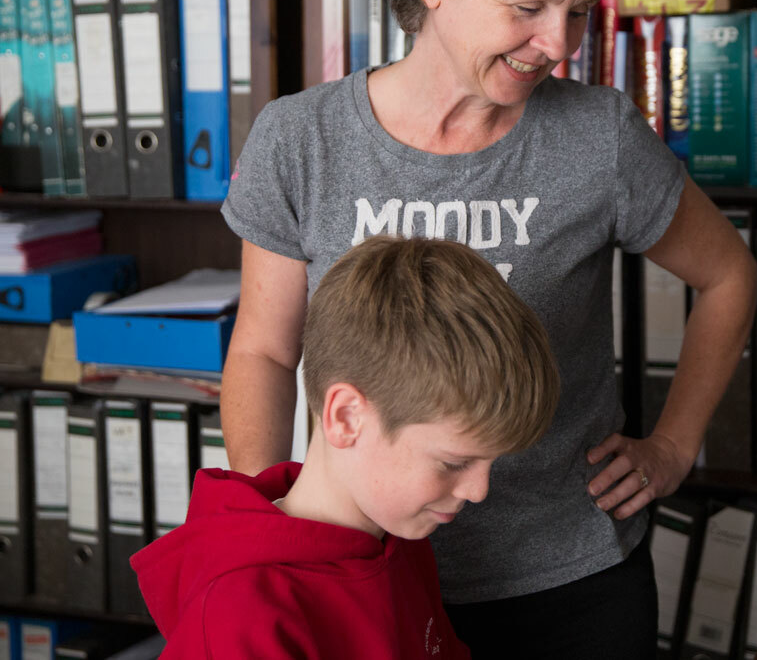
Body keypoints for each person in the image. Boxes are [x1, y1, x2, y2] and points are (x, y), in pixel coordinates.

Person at [218, 0, 757, 656]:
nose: (557, 43)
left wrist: (672, 445)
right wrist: (276, 542)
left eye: (577, 13)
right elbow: (263, 347)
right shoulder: (302, 139)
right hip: (364, 574)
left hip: (570, 582)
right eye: (527, 7)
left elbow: (728, 274)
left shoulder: (598, 137)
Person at [131, 235, 561, 658]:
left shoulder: (398, 534)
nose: (478, 490)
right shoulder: (242, 613)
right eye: (454, 462)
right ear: (347, 418)